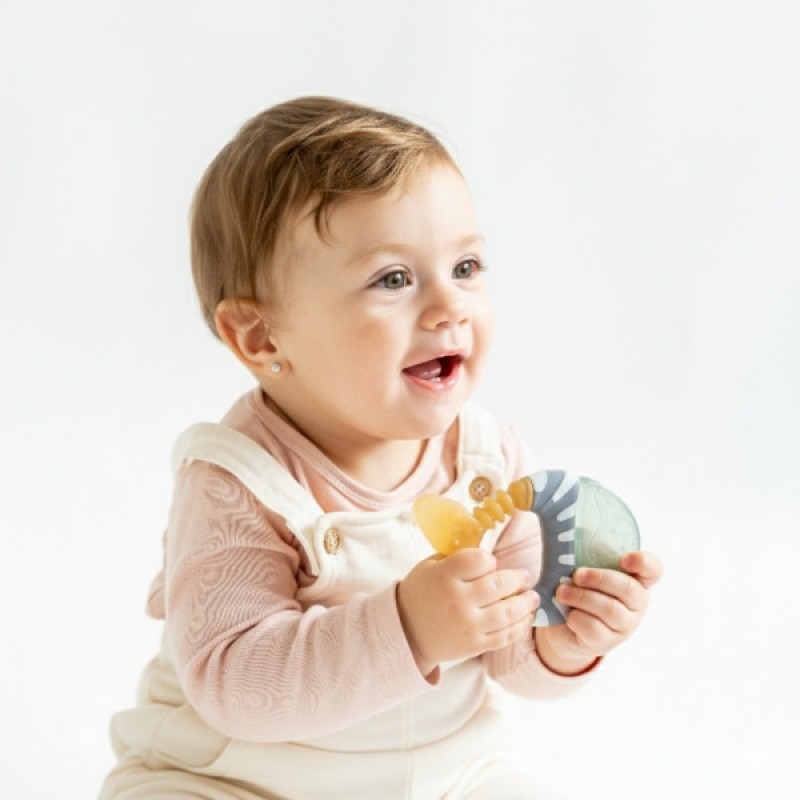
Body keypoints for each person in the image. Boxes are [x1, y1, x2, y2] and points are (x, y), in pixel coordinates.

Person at [99, 96, 662, 799]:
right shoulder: (239, 480)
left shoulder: (485, 461)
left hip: (447, 774)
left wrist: (566, 641)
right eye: (393, 279)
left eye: (466, 266)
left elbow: (510, 653)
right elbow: (233, 684)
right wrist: (409, 628)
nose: (449, 306)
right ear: (262, 337)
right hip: (238, 779)